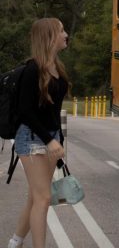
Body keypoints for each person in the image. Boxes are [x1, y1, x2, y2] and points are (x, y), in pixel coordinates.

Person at [8, 18, 69, 248]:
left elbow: (53, 110)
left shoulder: (58, 68)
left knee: (35, 196)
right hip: (31, 139)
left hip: (50, 137)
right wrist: (49, 140)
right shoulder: (33, 69)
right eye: (61, 31)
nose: (65, 34)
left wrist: (58, 139)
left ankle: (15, 242)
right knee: (43, 198)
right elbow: (25, 111)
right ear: (49, 37)